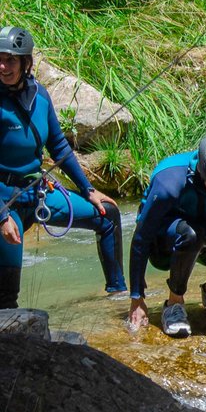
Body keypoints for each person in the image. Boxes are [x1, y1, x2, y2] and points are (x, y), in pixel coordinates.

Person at [0, 24, 125, 308]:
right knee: (6, 302)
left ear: (26, 62)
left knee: (108, 216)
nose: (3, 65)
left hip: (37, 193)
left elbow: (58, 147)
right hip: (5, 201)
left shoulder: (40, 96)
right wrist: (1, 216)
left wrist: (88, 189)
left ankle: (118, 298)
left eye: (10, 59)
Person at [128, 133, 206, 336]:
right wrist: (137, 297)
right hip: (162, 243)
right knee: (191, 234)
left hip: (198, 222)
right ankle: (174, 303)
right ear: (202, 171)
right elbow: (141, 237)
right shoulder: (168, 183)